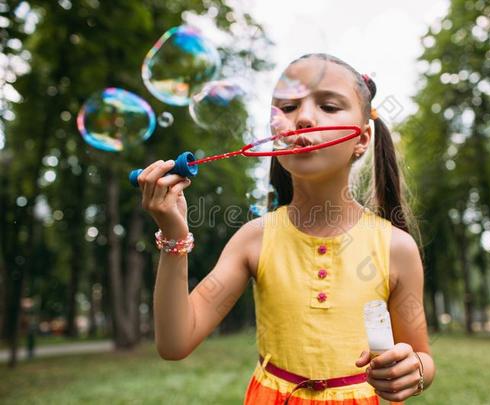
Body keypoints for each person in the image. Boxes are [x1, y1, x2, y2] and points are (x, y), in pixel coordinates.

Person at [137, 53, 436, 404]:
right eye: (289, 107)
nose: (305, 118)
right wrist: (174, 236)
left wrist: (414, 369)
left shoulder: (395, 247)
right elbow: (175, 342)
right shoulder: (254, 238)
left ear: (362, 139)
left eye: (328, 105)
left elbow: (422, 355)